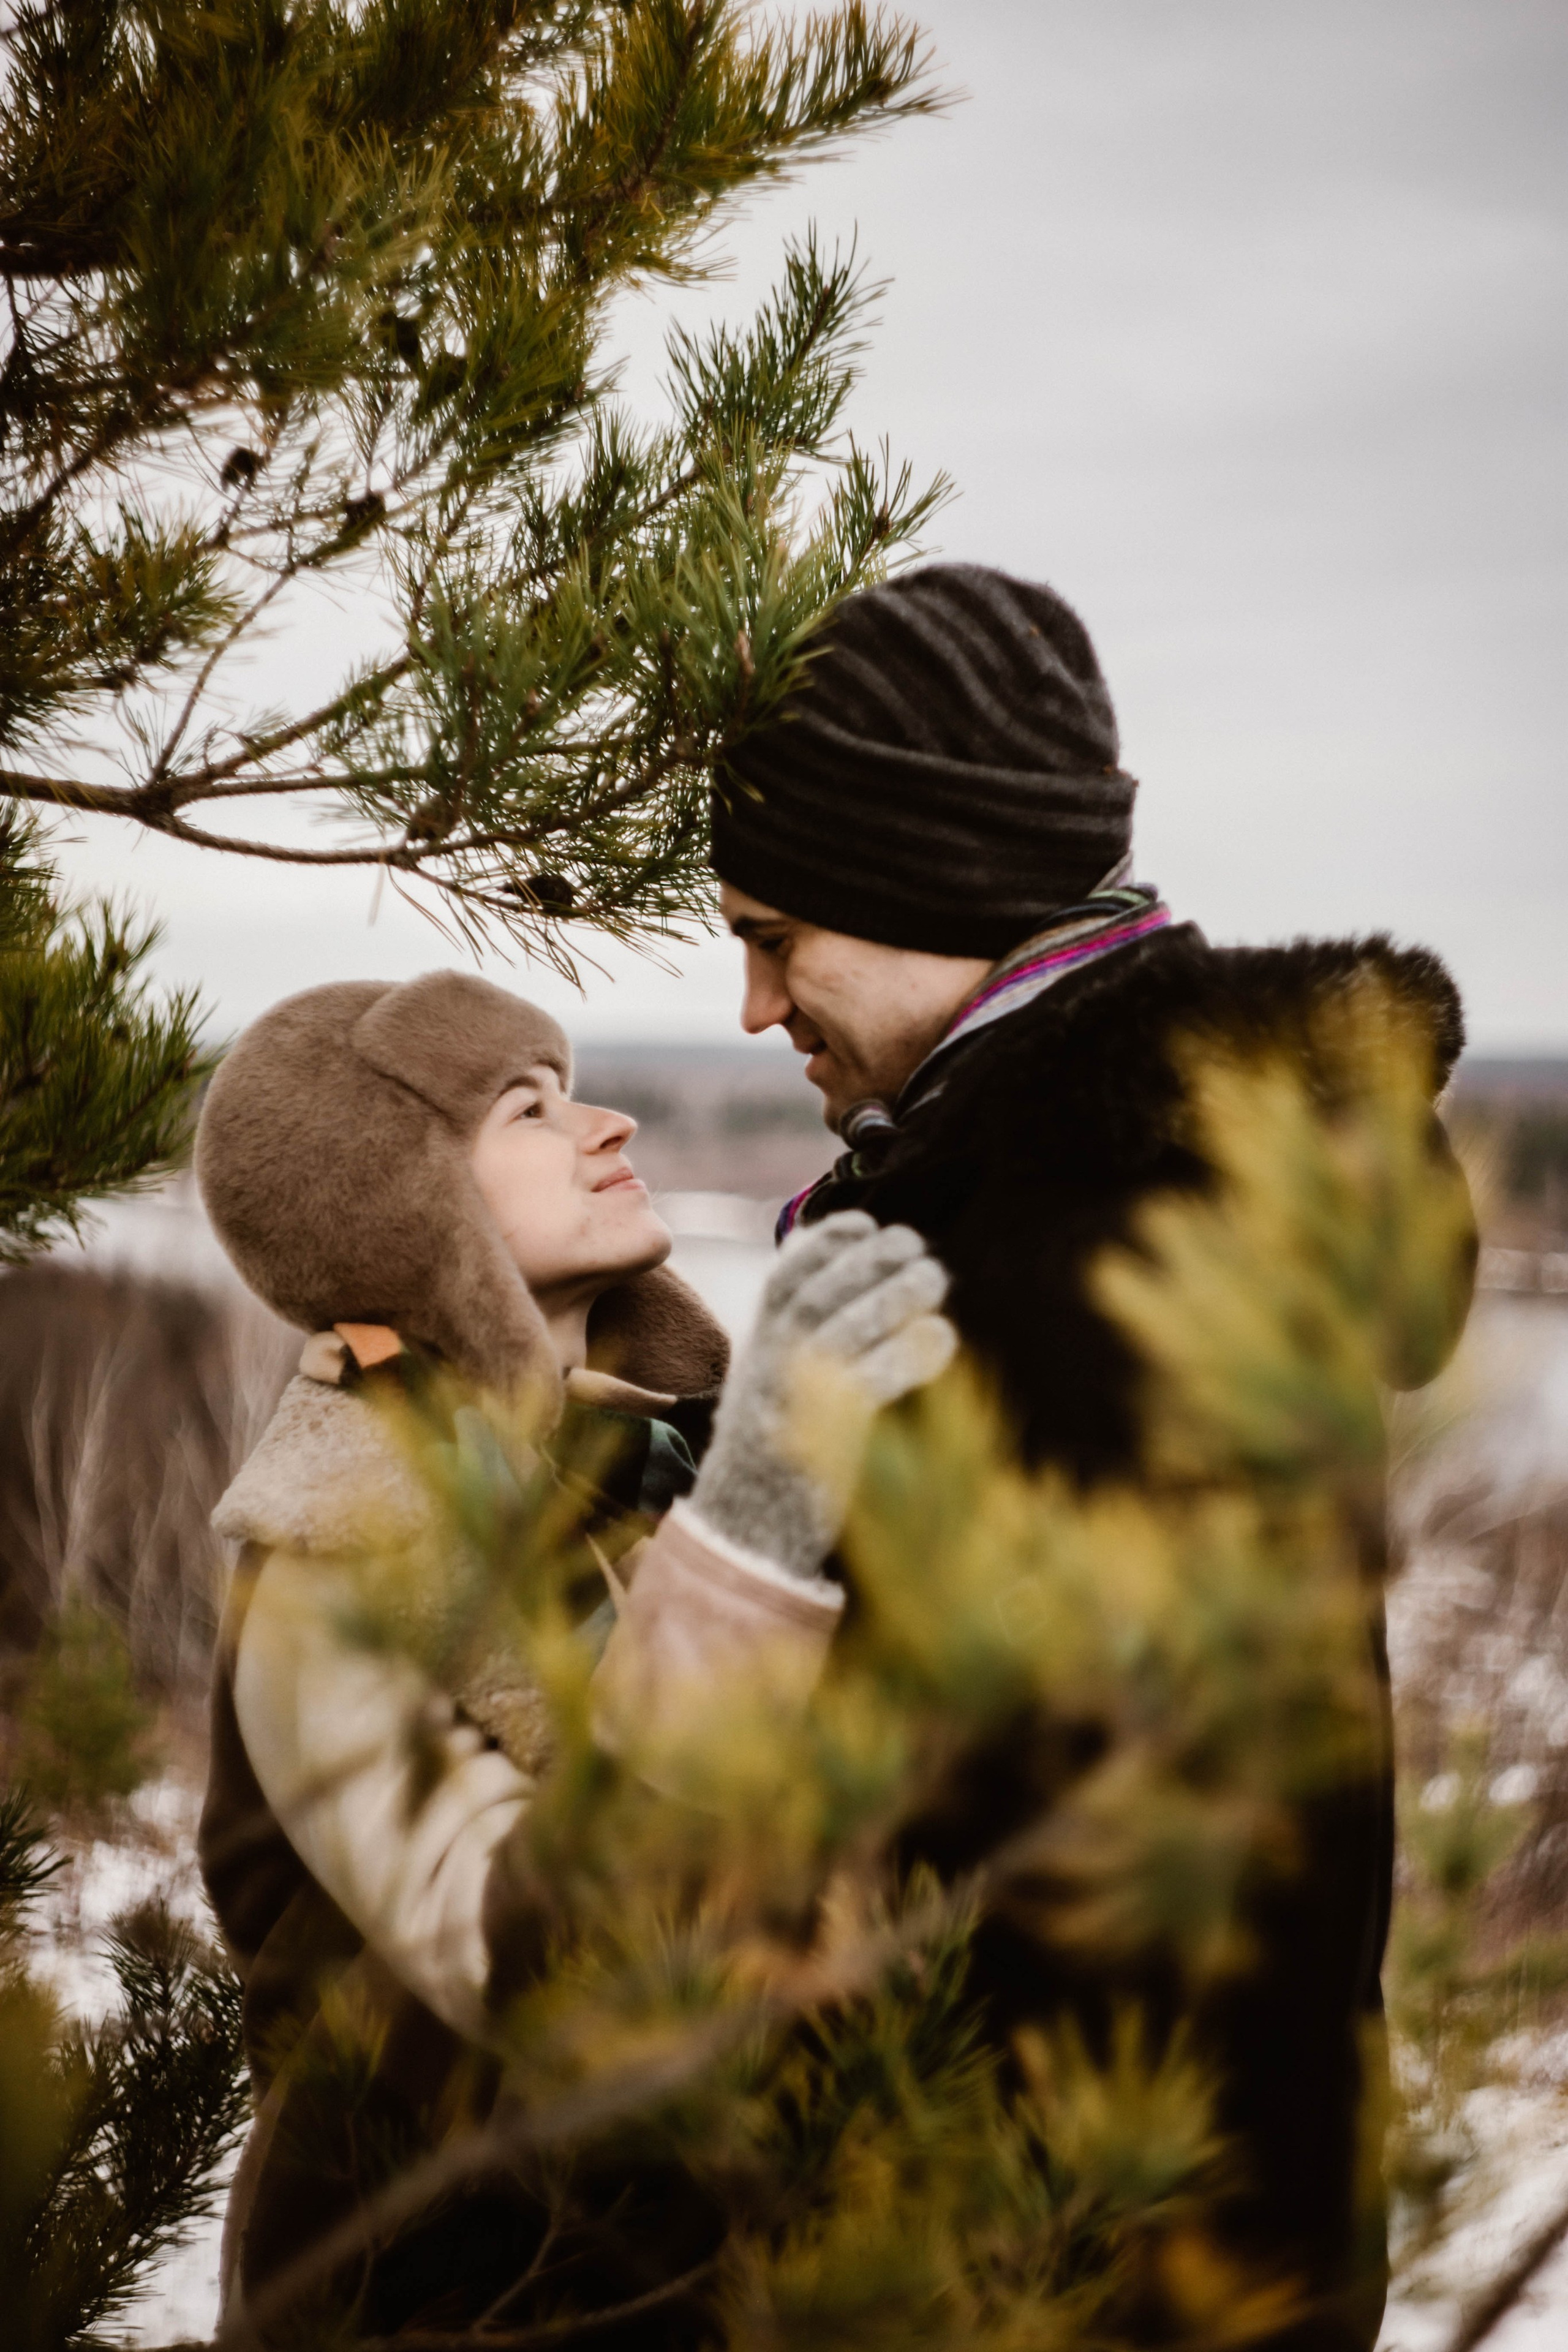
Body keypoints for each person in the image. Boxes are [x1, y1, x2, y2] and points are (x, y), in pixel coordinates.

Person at [711, 563, 1478, 2351]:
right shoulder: (1130, 1194)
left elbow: (1018, 1892)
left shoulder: (1086, 1258)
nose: (754, 1004)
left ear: (932, 891)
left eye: (775, 933)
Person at [195, 969, 953, 2340]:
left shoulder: (655, 1466)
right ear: (395, 1195)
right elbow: (552, 1983)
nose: (610, 1126)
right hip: (453, 2309)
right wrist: (762, 1536)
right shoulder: (331, 1563)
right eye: (527, 1110)